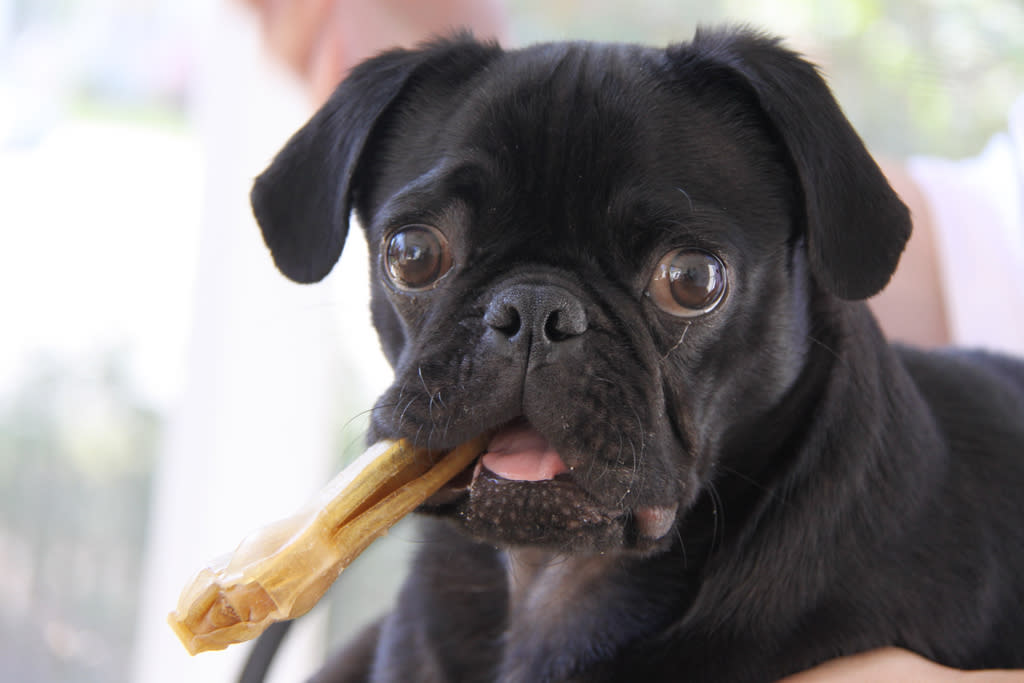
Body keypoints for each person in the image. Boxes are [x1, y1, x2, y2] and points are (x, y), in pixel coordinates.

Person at [237, 1, 1024, 680]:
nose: (531, 333)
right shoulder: (453, 607)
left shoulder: (906, 606)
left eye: (686, 282)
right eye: (421, 259)